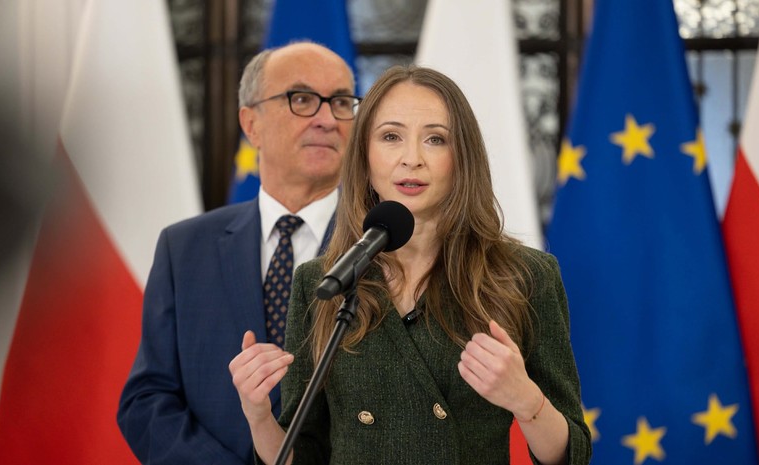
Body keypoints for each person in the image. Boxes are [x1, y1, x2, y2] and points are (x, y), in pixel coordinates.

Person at [229, 65, 592, 464]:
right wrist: (258, 415)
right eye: (391, 137)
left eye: (435, 139)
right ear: (364, 157)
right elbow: (304, 455)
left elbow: (571, 454)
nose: (412, 159)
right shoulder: (321, 282)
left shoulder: (524, 275)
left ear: (462, 158)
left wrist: (525, 399)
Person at [117, 41, 359, 464]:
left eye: (340, 102)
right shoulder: (183, 248)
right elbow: (148, 399)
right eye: (302, 99)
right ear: (251, 124)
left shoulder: (384, 248)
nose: (326, 119)